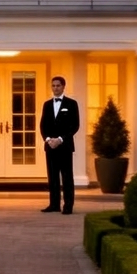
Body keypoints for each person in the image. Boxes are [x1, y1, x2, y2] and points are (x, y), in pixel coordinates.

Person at [40, 75, 79, 214]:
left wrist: (60, 139)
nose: (55, 88)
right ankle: (54, 204)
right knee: (53, 177)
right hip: (50, 146)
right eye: (53, 86)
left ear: (63, 87)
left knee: (67, 176)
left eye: (58, 85)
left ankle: (68, 205)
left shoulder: (72, 104)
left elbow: (75, 125)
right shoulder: (47, 105)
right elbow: (43, 125)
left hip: (65, 146)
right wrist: (48, 139)